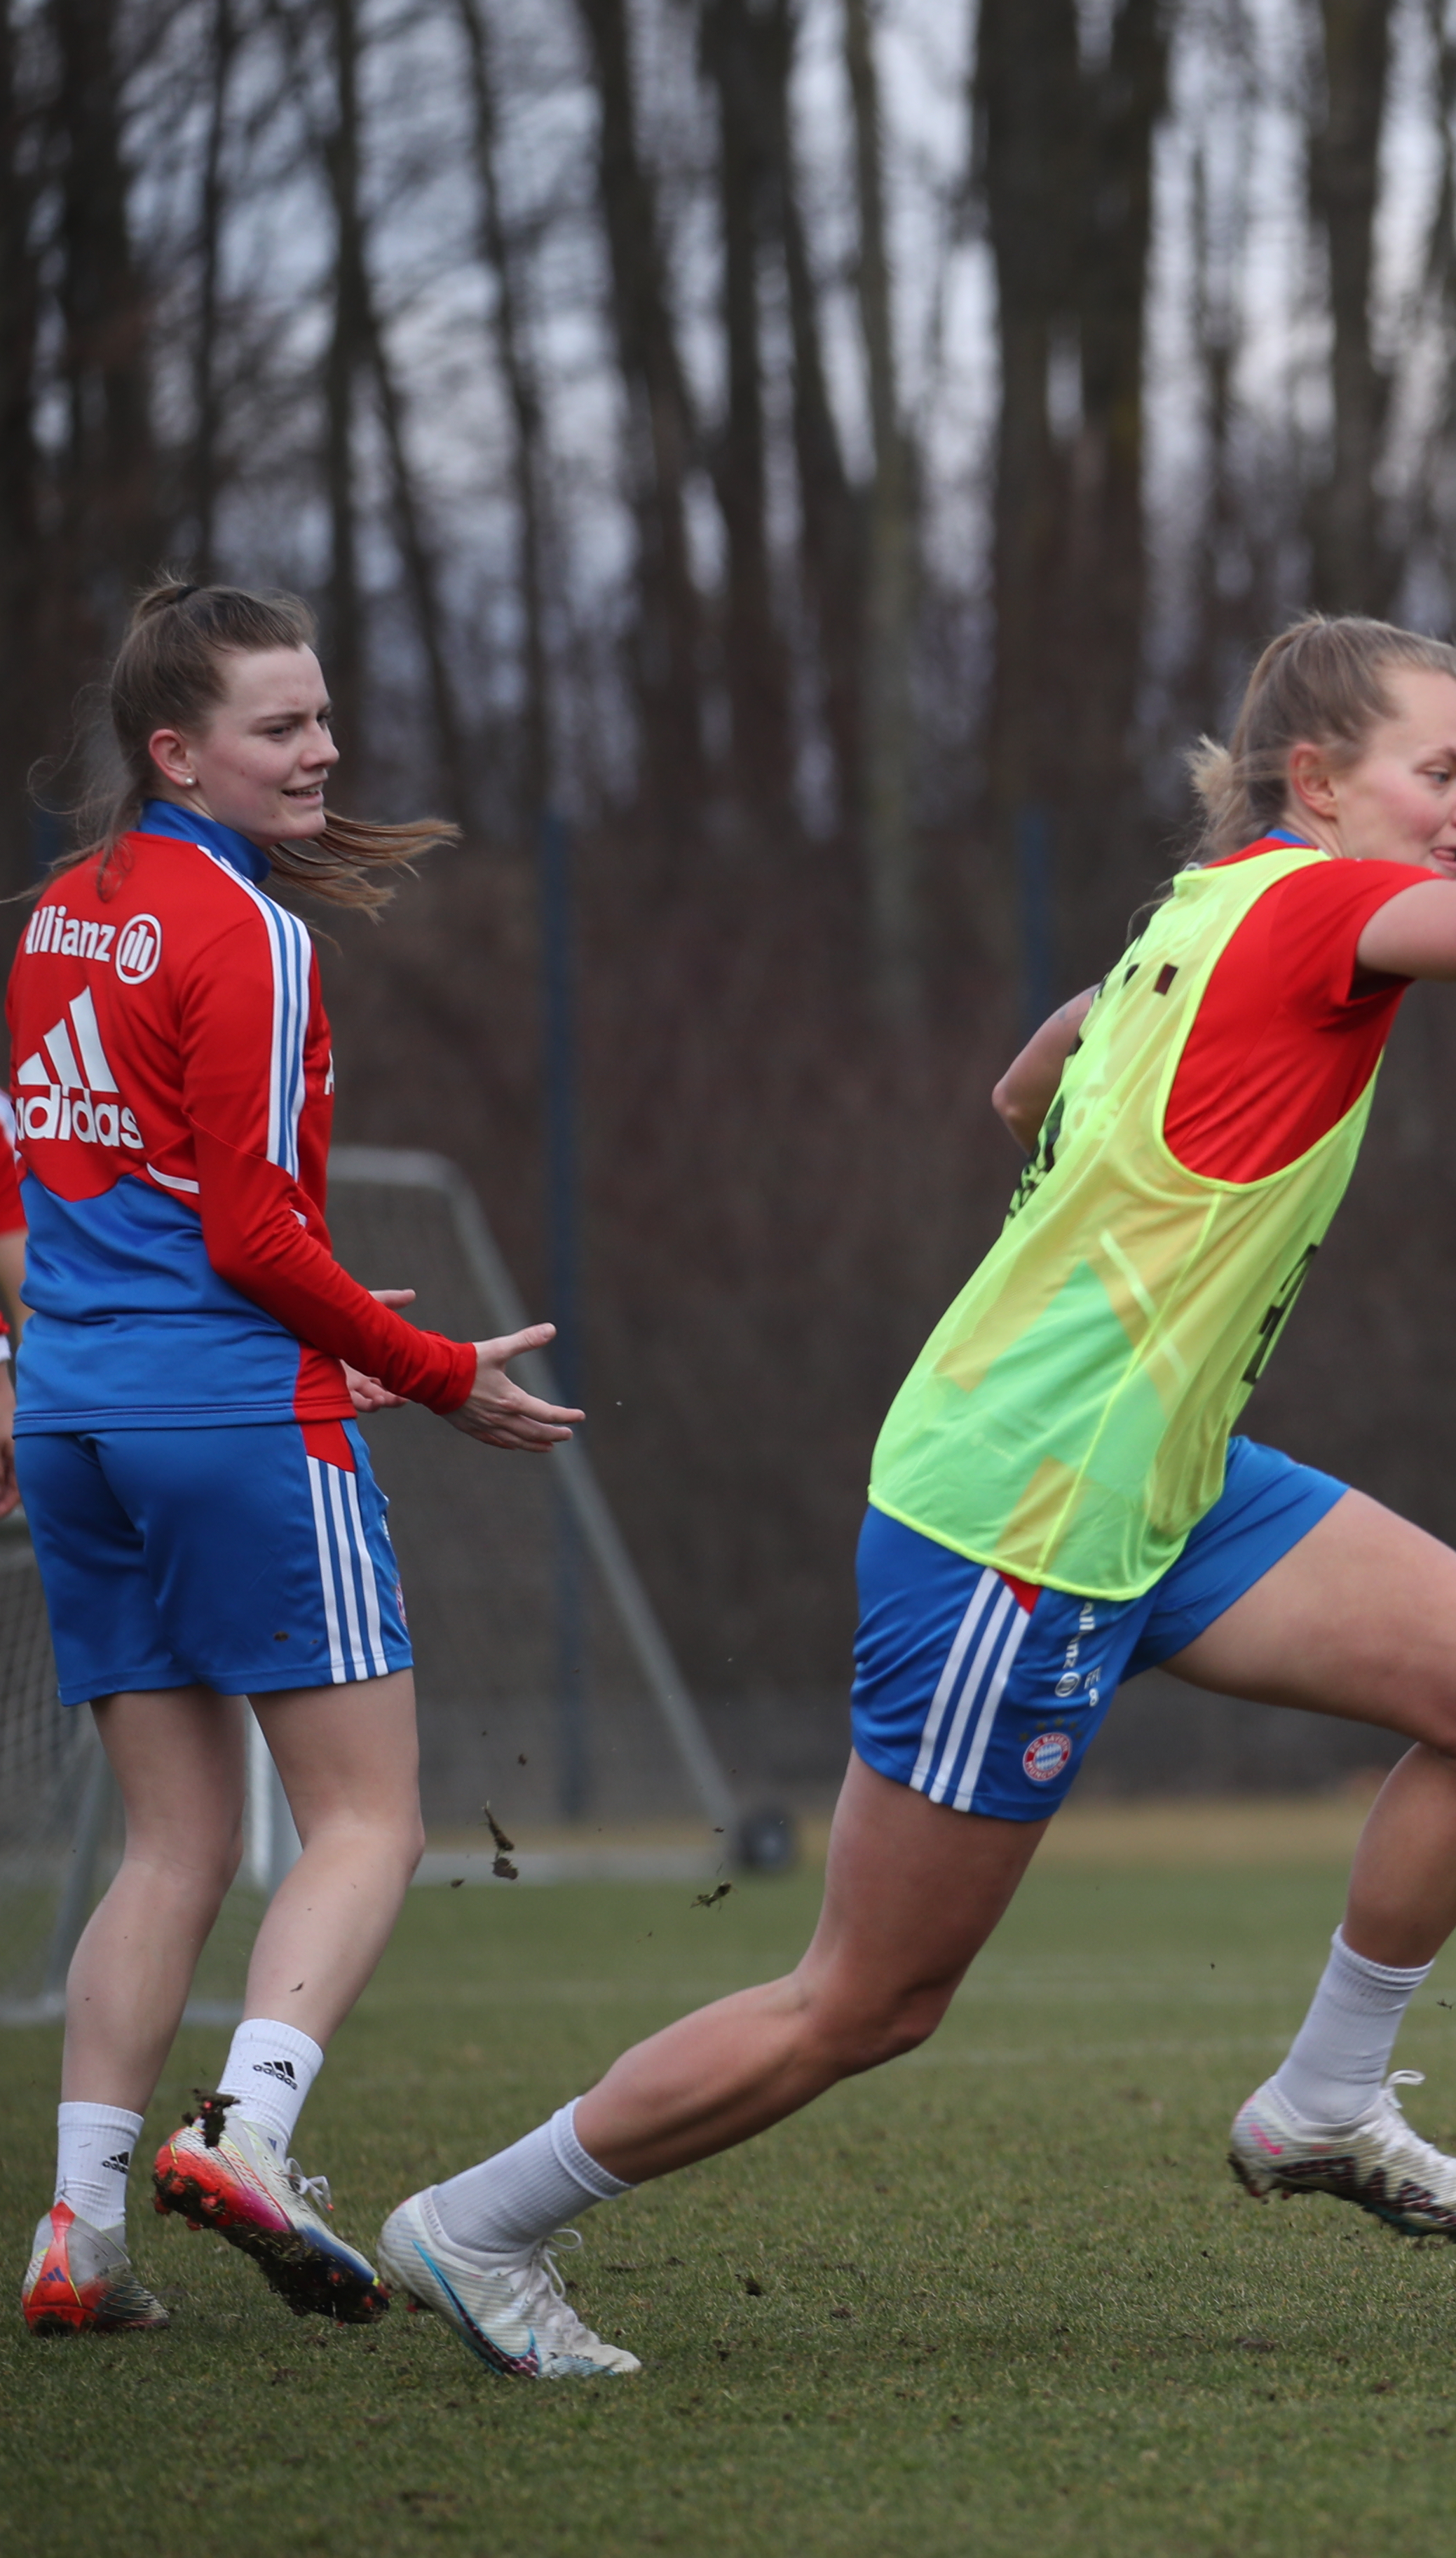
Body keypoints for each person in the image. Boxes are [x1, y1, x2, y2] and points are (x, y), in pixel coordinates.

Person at [382, 614, 1456, 2378]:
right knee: (866, 2001)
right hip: (1022, 1516)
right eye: (1445, 771)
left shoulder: (1201, 910)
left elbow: (1029, 1072)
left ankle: (1322, 2103)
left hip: (1162, 1484)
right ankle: (479, 2226)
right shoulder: (1314, 905)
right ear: (1319, 784)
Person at [17, 580, 578, 2339]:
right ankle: (246, 2138)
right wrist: (424, 1371)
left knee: (169, 1846)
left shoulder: (55, 917)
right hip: (232, 1421)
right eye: (281, 725)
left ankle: (77, 2239)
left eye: (324, 716)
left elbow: (54, 1204)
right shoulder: (253, 937)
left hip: (74, 1422)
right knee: (372, 1821)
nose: (322, 749)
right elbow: (260, 1240)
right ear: (174, 750)